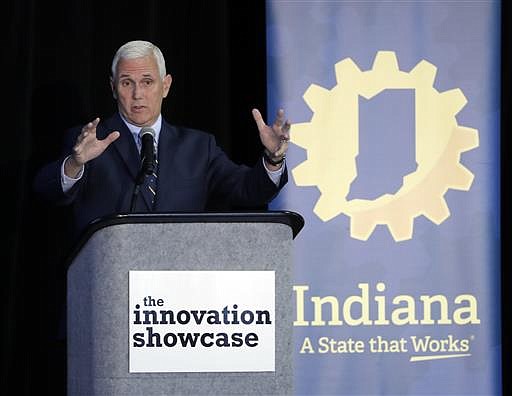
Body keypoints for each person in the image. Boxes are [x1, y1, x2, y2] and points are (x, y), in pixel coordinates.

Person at [33, 40, 290, 239]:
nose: (137, 94)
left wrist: (273, 159)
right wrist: (75, 164)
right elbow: (46, 190)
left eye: (147, 82)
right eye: (126, 83)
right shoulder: (89, 143)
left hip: (178, 288)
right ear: (113, 87)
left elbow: (248, 190)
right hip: (108, 284)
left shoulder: (199, 147)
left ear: (165, 86)